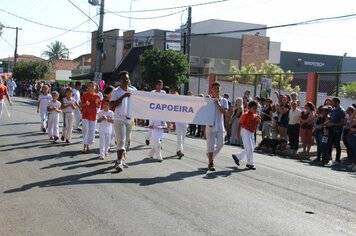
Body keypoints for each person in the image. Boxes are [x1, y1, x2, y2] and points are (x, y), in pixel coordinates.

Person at [110, 71, 134, 172]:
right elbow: (112, 105)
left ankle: (121, 160)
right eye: (124, 79)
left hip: (130, 119)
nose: (126, 80)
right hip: (119, 119)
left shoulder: (133, 90)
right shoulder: (116, 91)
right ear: (120, 80)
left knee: (127, 140)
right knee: (121, 140)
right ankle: (119, 162)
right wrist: (123, 96)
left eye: (127, 78)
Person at [205, 82, 229, 171]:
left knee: (221, 144)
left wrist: (218, 103)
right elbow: (204, 113)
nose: (216, 90)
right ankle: (211, 163)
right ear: (212, 90)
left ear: (220, 89)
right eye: (214, 88)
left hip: (220, 127)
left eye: (218, 88)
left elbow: (225, 112)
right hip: (210, 126)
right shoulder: (208, 100)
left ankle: (210, 155)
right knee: (210, 146)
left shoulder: (224, 101)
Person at [232, 101, 261, 170]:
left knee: (251, 148)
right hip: (245, 131)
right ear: (249, 108)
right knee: (250, 148)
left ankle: (237, 157)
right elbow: (239, 124)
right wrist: (237, 133)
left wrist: (259, 121)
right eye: (254, 108)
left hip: (251, 132)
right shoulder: (245, 115)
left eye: (256, 108)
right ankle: (250, 164)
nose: (255, 109)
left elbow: (257, 123)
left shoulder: (255, 114)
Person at [81, 81, 100, 153]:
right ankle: (84, 146)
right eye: (90, 86)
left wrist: (96, 104)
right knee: (85, 129)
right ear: (87, 87)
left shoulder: (97, 96)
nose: (91, 87)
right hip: (85, 114)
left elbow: (98, 106)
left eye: (92, 86)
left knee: (91, 130)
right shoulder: (85, 95)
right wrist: (85, 104)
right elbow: (81, 105)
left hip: (93, 115)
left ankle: (88, 145)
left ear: (95, 87)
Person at [145, 80, 166, 145]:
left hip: (160, 112)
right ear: (156, 85)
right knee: (152, 127)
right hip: (153, 112)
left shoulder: (163, 92)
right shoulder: (152, 92)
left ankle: (159, 141)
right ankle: (148, 138)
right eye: (159, 85)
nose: (160, 86)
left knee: (160, 126)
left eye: (161, 85)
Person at [327, 97, 346, 166]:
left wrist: (334, 124)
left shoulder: (341, 111)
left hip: (337, 130)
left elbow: (343, 122)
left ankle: (337, 160)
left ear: (337, 102)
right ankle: (329, 158)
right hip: (331, 130)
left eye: (333, 102)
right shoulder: (333, 110)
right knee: (329, 144)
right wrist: (327, 123)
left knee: (337, 145)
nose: (331, 103)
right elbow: (331, 119)